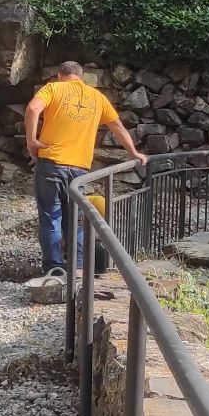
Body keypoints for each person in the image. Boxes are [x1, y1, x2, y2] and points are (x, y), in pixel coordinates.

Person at [24, 61, 142, 277]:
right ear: (81, 77)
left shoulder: (53, 88)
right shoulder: (97, 97)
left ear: (60, 76)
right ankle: (77, 270)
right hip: (79, 169)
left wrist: (31, 140)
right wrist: (134, 153)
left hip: (51, 163)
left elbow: (32, 108)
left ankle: (54, 271)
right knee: (75, 221)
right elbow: (118, 127)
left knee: (51, 218)